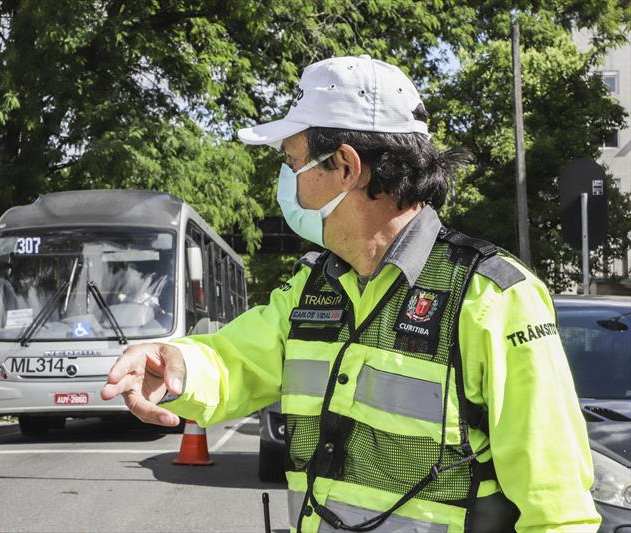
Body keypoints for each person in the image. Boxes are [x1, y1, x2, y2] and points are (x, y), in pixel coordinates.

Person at [100, 55, 600, 532]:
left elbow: (556, 506)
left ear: (344, 165)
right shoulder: (313, 287)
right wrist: (176, 366)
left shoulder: (493, 298)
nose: (287, 184)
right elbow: (236, 361)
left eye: (292, 161)